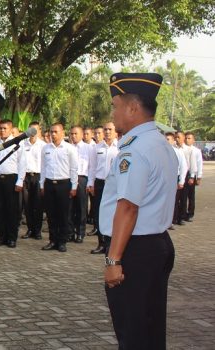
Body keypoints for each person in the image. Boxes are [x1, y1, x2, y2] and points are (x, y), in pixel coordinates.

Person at [101, 72, 176, 349]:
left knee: (132, 334)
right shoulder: (159, 144)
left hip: (134, 250)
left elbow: (128, 207)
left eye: (116, 105)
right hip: (156, 244)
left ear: (132, 108)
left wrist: (113, 260)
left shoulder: (134, 150)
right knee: (151, 329)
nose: (114, 112)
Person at [40, 123, 78, 253]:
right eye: (51, 132)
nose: (53, 134)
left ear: (62, 133)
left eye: (56, 132)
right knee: (51, 214)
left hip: (64, 184)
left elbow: (74, 168)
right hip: (49, 183)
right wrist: (42, 184)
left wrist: (74, 186)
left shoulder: (69, 148)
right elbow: (43, 168)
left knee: (63, 214)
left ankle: (62, 241)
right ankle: (52, 240)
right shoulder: (45, 148)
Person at [0, 119, 24, 248]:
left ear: (10, 129)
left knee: (12, 210)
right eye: (0, 128)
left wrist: (20, 181)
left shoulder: (17, 144)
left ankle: (11, 238)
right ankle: (1, 237)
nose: (2, 131)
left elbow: (22, 164)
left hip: (11, 179)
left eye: (5, 128)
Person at [88, 122, 118, 254]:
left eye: (110, 129)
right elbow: (92, 167)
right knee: (99, 213)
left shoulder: (121, 148)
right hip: (100, 183)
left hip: (115, 184)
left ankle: (112, 243)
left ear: (115, 131)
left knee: (113, 214)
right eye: (105, 129)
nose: (107, 132)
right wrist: (91, 183)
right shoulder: (97, 147)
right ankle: (101, 243)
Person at [20, 121, 45, 240]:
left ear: (39, 131)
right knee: (27, 204)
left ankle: (37, 230)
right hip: (25, 177)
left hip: (38, 176)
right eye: (31, 130)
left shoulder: (43, 146)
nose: (33, 132)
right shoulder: (23, 145)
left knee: (38, 205)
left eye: (35, 130)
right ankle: (30, 229)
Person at [68, 126, 93, 243]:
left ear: (82, 134)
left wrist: (90, 182)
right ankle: (70, 232)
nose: (73, 136)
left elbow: (92, 167)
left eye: (76, 134)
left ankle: (80, 233)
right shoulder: (67, 147)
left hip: (82, 178)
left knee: (81, 207)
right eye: (72, 134)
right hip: (69, 178)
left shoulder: (89, 148)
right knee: (69, 207)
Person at [166, 132, 188, 231]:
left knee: (173, 200)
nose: (166, 141)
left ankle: (171, 220)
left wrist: (181, 181)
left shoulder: (177, 152)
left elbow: (184, 166)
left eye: (168, 139)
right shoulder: (160, 151)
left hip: (174, 177)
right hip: (163, 179)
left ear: (173, 141)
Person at [173, 131, 195, 226]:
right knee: (175, 198)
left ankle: (181, 217)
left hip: (185, 174)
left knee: (183, 197)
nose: (177, 139)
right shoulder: (173, 148)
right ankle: (175, 216)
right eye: (176, 137)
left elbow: (192, 164)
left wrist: (192, 176)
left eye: (179, 137)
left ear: (182, 138)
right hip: (176, 174)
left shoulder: (188, 150)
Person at [185, 132, 202, 222]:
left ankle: (190, 213)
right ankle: (182, 213)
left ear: (193, 140)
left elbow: (199, 164)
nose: (187, 140)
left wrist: (199, 176)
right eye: (186, 138)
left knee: (191, 195)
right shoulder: (182, 149)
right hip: (184, 174)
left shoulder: (196, 151)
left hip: (192, 174)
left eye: (189, 138)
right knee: (183, 196)